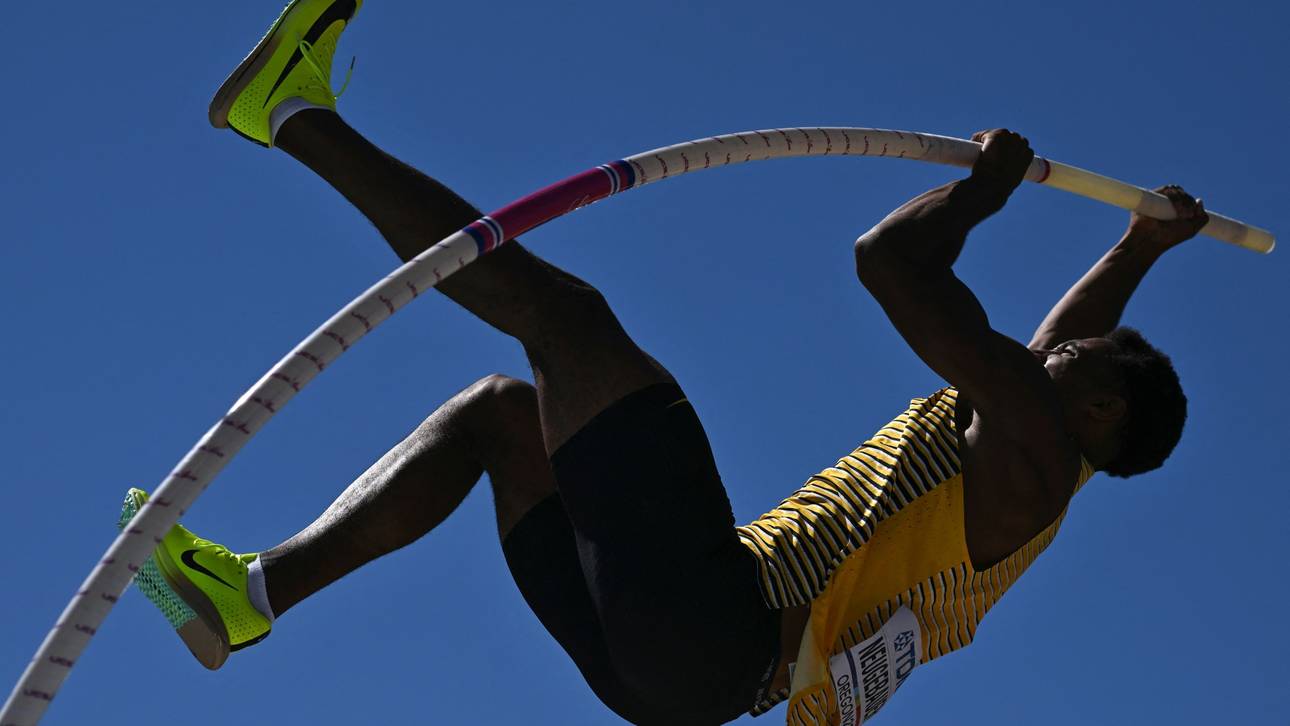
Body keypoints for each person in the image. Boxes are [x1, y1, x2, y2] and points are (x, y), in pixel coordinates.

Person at [122, 1, 1202, 723]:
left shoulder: (1030, 447)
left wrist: (978, 194)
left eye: (1069, 360)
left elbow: (893, 265)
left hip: (720, 626)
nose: (1045, 345)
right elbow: (1073, 342)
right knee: (504, 415)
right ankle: (256, 594)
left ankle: (292, 114)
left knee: (573, 326)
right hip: (678, 680)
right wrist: (1137, 244)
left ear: (1096, 406)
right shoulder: (1029, 467)